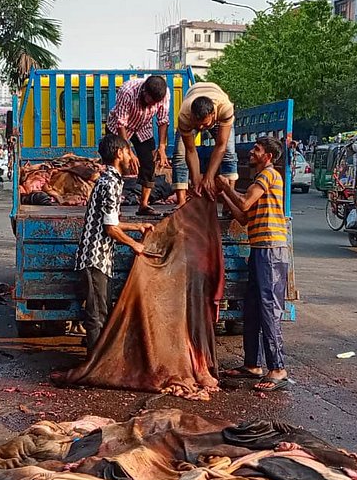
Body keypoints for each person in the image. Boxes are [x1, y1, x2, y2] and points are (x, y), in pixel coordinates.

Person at [216, 136, 291, 392]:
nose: (251, 152)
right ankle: (252, 364)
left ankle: (277, 368)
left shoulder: (268, 175)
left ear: (267, 156)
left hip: (271, 251)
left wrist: (226, 187)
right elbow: (243, 217)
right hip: (260, 250)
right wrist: (224, 195)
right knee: (251, 309)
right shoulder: (262, 180)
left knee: (269, 310)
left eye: (257, 149)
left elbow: (245, 202)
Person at [74, 134, 154, 352]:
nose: (131, 157)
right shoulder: (110, 183)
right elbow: (110, 229)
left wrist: (137, 227)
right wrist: (134, 244)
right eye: (129, 152)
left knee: (102, 311)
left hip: (100, 259)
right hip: (94, 258)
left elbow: (111, 221)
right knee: (97, 315)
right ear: (119, 153)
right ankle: (94, 363)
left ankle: (97, 358)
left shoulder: (110, 180)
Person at [105, 74, 171, 216]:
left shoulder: (165, 94)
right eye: (150, 101)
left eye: (156, 103)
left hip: (143, 127)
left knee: (149, 163)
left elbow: (163, 120)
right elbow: (120, 123)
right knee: (117, 165)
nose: (153, 105)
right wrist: (128, 151)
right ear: (144, 92)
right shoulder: (127, 91)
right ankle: (113, 207)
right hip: (120, 128)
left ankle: (144, 205)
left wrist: (162, 146)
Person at [172, 81, 237, 206]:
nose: (201, 128)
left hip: (218, 100)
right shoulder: (185, 115)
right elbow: (190, 150)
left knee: (229, 153)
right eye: (198, 124)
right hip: (192, 95)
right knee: (180, 154)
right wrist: (196, 179)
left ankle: (230, 203)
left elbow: (220, 146)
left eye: (205, 124)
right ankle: (181, 202)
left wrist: (209, 176)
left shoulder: (225, 108)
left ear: (213, 115)